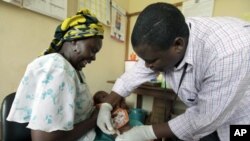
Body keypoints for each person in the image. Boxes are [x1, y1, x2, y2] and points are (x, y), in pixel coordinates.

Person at [96, 2, 250, 141]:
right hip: (207, 118)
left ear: (178, 45)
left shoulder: (228, 53)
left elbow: (204, 117)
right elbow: (133, 75)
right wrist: (106, 105)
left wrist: (145, 132)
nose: (146, 66)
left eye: (152, 61)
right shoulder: (167, 38)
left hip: (241, 120)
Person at [7, 9, 104, 141]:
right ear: (75, 41)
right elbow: (44, 139)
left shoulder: (71, 67)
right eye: (93, 50)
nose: (94, 58)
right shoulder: (59, 70)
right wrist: (94, 120)